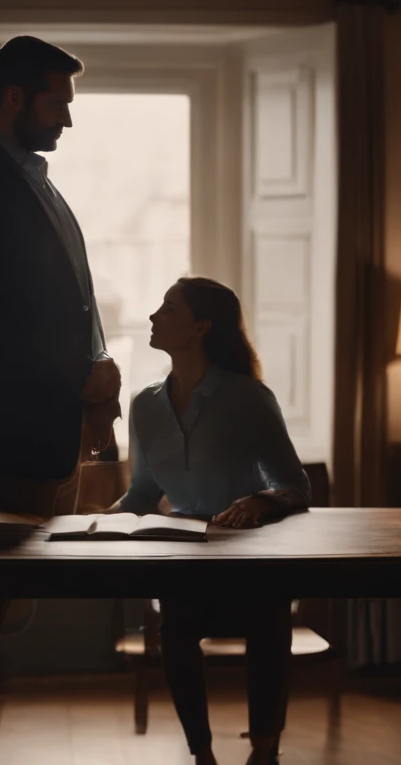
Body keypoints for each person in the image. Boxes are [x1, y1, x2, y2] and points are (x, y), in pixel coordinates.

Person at [0, 35, 121, 765]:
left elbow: (66, 301)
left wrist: (97, 372)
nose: (66, 119)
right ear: (13, 98)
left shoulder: (34, 180)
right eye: (56, 101)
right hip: (4, 433)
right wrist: (80, 378)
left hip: (46, 429)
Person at [112, 277, 311, 765]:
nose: (154, 317)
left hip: (249, 556)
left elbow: (296, 486)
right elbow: (142, 494)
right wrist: (95, 525)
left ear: (201, 327)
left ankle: (264, 750)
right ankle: (201, 755)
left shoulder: (248, 398)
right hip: (184, 558)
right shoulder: (144, 406)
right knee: (176, 627)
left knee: (269, 620)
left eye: (168, 309)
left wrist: (260, 502)